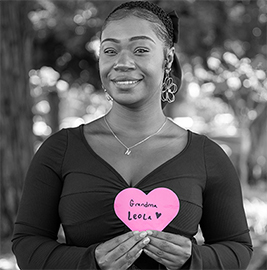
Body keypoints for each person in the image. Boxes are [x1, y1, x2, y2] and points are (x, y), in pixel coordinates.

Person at [12, 1, 253, 269]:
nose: (122, 63)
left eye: (140, 50)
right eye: (110, 50)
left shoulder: (207, 157)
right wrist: (89, 261)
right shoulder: (59, 150)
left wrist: (193, 258)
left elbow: (238, 249)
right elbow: (27, 244)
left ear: (168, 58)